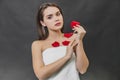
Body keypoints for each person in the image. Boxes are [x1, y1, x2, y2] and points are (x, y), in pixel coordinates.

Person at [31, 2, 89, 80]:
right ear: (43, 23)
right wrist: (66, 57)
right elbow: (41, 75)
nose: (56, 19)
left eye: (58, 14)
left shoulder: (74, 38)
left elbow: (82, 69)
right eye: (49, 17)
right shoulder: (37, 45)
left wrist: (79, 40)